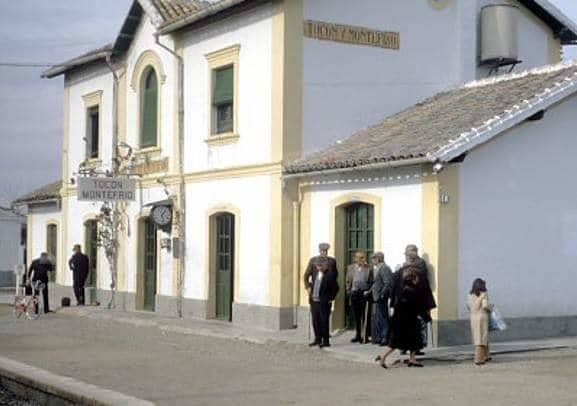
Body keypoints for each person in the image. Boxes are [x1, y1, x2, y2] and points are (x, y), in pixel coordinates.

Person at [375, 267, 428, 368]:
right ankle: (383, 356)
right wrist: (426, 316)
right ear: (413, 278)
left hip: (399, 319)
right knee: (403, 340)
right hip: (408, 320)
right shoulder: (412, 290)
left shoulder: (401, 288)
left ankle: (412, 359)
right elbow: (416, 306)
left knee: (407, 340)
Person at [396, 244, 436, 353]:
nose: (406, 256)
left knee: (418, 324)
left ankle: (416, 348)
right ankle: (404, 347)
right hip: (408, 299)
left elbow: (416, 276)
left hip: (420, 299)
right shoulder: (407, 265)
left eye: (408, 253)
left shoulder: (420, 263)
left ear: (414, 252)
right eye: (406, 254)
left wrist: (406, 267)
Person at [304, 257, 339, 348]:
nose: (318, 267)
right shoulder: (315, 274)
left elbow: (336, 288)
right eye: (317, 266)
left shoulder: (329, 275)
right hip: (314, 301)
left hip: (324, 301)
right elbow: (311, 282)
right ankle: (317, 338)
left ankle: (326, 340)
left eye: (320, 266)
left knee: (324, 321)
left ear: (325, 266)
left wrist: (331, 298)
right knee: (315, 321)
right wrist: (309, 288)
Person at [346, 251, 373, 344]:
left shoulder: (369, 268)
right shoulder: (350, 268)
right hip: (354, 293)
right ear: (355, 258)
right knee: (356, 316)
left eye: (363, 257)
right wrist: (349, 291)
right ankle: (357, 335)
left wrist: (368, 291)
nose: (361, 260)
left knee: (365, 316)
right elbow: (348, 281)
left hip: (364, 294)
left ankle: (365, 335)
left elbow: (371, 282)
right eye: (359, 258)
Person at [468, 278, 493, 365]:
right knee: (481, 338)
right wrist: (491, 307)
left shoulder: (470, 294)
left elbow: (468, 306)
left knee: (480, 336)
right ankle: (478, 359)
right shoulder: (484, 294)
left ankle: (487, 355)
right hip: (482, 317)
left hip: (473, 317)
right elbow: (485, 305)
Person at [370, 252, 393, 346]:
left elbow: (387, 282)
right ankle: (380, 336)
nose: (372, 261)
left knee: (383, 317)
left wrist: (382, 294)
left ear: (378, 259)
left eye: (373, 258)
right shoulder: (378, 268)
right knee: (379, 317)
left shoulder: (384, 268)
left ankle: (385, 337)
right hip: (377, 296)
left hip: (381, 296)